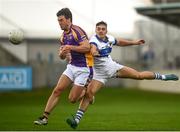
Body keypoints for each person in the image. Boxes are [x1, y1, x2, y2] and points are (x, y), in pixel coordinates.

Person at [66, 21, 179, 129]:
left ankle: (164, 77)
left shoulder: (109, 38)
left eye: (103, 29)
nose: (100, 31)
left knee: (138, 75)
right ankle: (76, 121)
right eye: (98, 29)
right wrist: (94, 52)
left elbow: (120, 42)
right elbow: (93, 49)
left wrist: (134, 42)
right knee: (88, 94)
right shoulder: (93, 41)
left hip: (113, 68)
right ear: (96, 30)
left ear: (106, 30)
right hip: (99, 74)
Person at [34, 8, 94, 125]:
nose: (59, 23)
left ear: (68, 20)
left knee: (72, 100)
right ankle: (44, 117)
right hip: (72, 66)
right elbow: (63, 56)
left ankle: (87, 93)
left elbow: (87, 47)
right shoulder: (63, 37)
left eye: (61, 20)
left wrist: (70, 47)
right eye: (58, 20)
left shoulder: (78, 31)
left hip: (84, 68)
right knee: (57, 90)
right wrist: (62, 54)